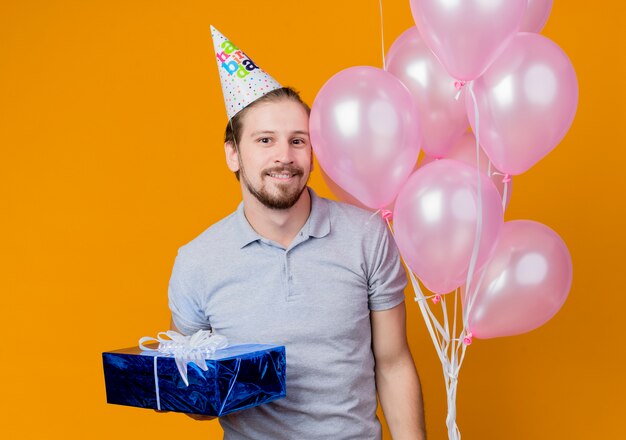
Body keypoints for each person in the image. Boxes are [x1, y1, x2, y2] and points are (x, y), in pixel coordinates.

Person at [167, 27, 426, 439]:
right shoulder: (197, 262)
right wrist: (199, 391)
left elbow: (393, 363)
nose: (283, 157)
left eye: (298, 141)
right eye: (265, 140)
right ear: (233, 153)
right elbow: (194, 397)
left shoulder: (366, 236)